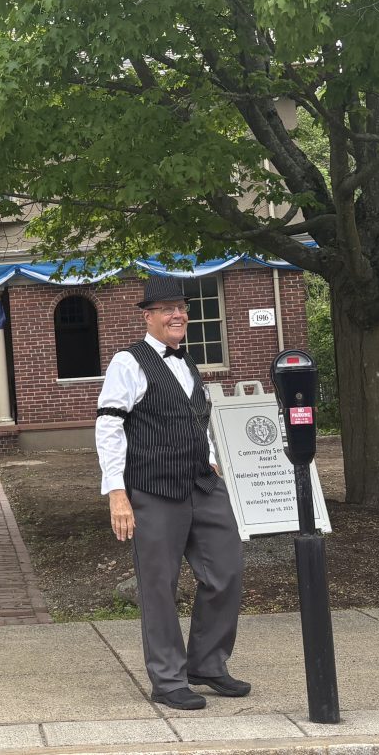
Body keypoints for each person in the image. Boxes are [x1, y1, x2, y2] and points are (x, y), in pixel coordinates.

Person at [95, 275, 249, 710]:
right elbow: (108, 426)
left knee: (226, 571)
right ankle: (167, 679)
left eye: (180, 306)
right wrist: (117, 492)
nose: (177, 314)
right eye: (166, 308)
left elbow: (198, 417)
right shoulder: (128, 362)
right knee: (159, 586)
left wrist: (213, 457)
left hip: (202, 483)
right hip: (154, 489)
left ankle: (207, 665)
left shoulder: (188, 362)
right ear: (148, 316)